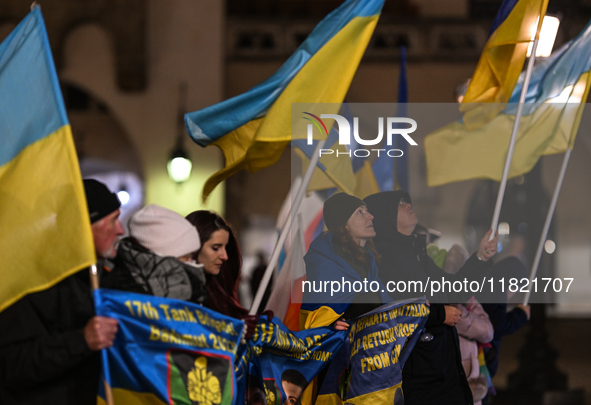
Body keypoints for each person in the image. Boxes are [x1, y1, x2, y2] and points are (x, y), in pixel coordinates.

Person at [364, 190, 498, 405]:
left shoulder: (415, 254)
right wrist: (440, 313)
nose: (408, 204)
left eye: (406, 201)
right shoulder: (384, 258)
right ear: (384, 217)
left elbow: (454, 290)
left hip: (438, 369)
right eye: (399, 204)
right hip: (419, 374)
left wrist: (481, 257)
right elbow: (398, 310)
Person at [0, 179, 122, 404]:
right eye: (113, 220)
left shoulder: (103, 277)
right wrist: (81, 341)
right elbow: (12, 364)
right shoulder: (33, 282)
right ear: (85, 226)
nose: (121, 230)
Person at [300, 193, 392, 330]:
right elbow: (313, 322)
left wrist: (412, 308)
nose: (370, 216)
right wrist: (331, 326)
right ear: (344, 225)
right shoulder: (326, 268)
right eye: (360, 212)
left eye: (366, 210)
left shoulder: (369, 267)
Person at [108, 204, 206, 304]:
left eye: (191, 257)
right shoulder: (121, 292)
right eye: (185, 258)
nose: (191, 262)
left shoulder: (190, 289)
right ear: (161, 255)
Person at [185, 211, 248, 319]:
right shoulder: (172, 293)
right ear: (193, 246)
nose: (225, 256)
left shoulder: (221, 294)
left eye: (226, 248)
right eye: (216, 248)